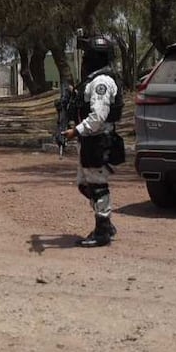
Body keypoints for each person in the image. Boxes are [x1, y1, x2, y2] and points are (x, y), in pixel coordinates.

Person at [60, 34, 124, 247]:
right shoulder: (93, 80)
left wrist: (76, 131)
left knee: (97, 185)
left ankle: (102, 230)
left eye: (88, 55)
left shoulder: (102, 82)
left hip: (99, 140)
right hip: (90, 140)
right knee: (84, 183)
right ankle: (105, 221)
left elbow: (97, 117)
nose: (85, 60)